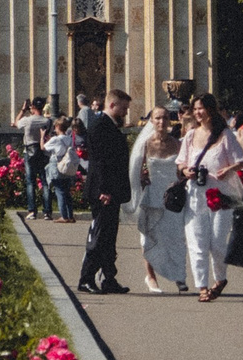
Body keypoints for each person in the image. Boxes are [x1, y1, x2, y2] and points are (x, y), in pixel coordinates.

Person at [177, 94, 243, 301]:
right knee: (197, 241)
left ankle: (220, 278)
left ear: (210, 110)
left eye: (202, 108)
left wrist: (228, 169)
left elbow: (241, 160)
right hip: (196, 195)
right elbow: (180, 163)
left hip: (221, 196)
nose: (198, 113)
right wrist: (185, 171)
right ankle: (202, 286)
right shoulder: (190, 135)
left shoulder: (225, 134)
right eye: (195, 109)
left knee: (217, 243)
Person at [126, 104, 190, 294]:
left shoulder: (177, 144)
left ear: (170, 121)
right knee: (149, 237)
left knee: (175, 237)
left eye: (165, 118)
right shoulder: (145, 144)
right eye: (158, 118)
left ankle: (179, 275)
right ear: (151, 121)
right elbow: (134, 169)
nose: (161, 122)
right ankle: (151, 276)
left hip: (171, 197)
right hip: (152, 195)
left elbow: (182, 168)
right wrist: (141, 179)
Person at [76, 91, 134, 294]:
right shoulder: (101, 126)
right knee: (100, 236)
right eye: (124, 108)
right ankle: (86, 278)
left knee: (109, 238)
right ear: (112, 105)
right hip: (104, 192)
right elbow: (101, 161)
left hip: (111, 191)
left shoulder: (109, 125)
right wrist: (104, 190)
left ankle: (109, 278)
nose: (126, 112)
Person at [16, 99, 51, 215]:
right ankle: (47, 211)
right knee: (45, 182)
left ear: (33, 107)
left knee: (31, 182)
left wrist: (23, 110)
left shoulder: (27, 120)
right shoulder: (47, 121)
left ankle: (32, 210)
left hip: (29, 151)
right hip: (42, 152)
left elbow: (16, 123)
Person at [43, 117, 80, 222]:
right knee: (66, 192)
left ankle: (63, 216)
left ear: (58, 127)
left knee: (59, 191)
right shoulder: (69, 139)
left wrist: (42, 137)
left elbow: (43, 147)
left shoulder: (55, 139)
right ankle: (70, 215)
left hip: (57, 165)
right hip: (67, 165)